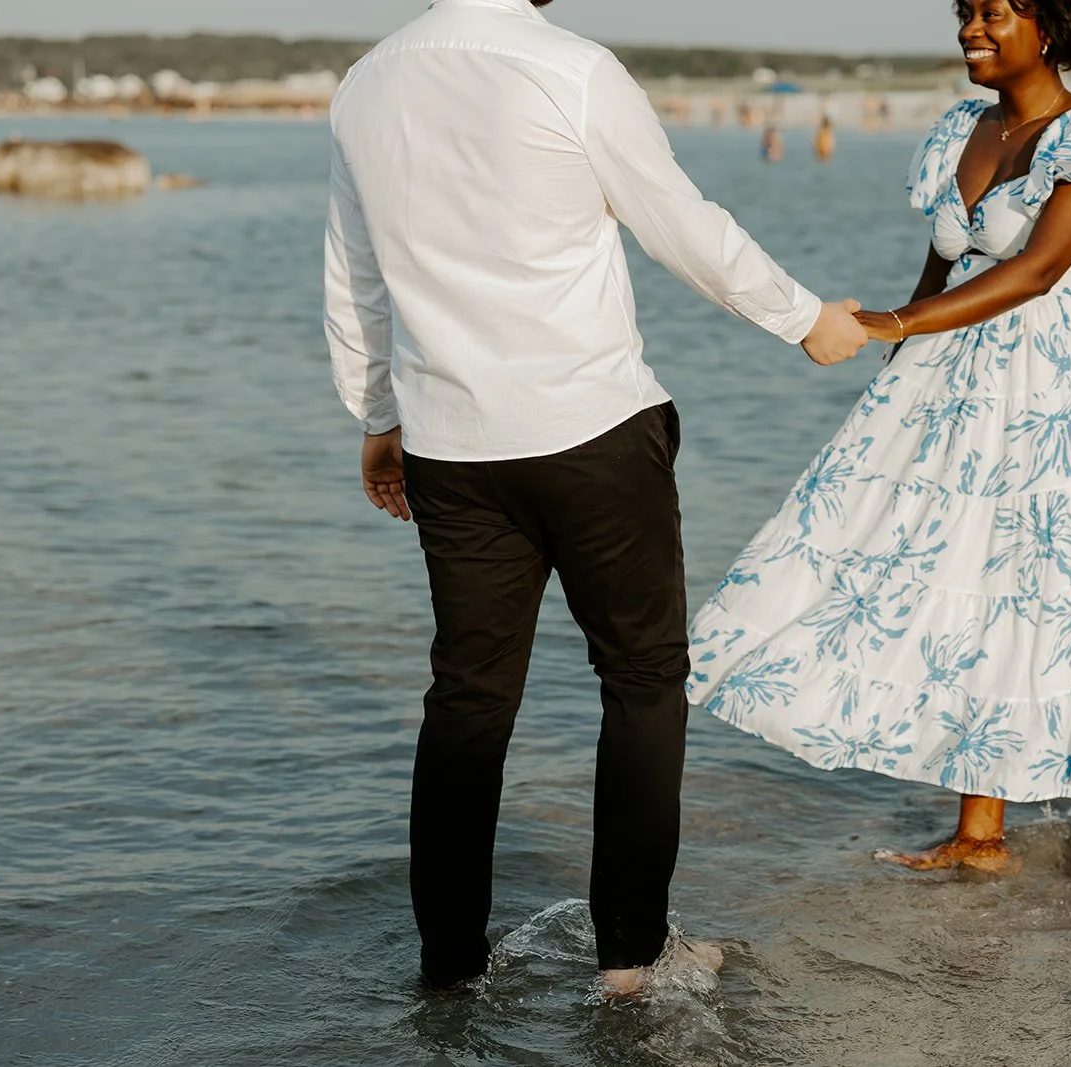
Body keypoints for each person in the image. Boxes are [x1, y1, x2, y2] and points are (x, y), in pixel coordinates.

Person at [324, 0, 868, 996]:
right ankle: (630, 958)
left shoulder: (369, 79)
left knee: (469, 700)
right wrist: (802, 319)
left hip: (449, 441)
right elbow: (679, 221)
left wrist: (375, 413)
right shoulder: (570, 68)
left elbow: (357, 273)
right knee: (642, 680)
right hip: (588, 432)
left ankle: (448, 966)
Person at [688, 0, 1071, 874]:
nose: (969, 29)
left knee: (1043, 580)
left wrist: (887, 324)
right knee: (935, 567)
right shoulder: (964, 128)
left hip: (1049, 392)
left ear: (1052, 26)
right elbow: (944, 262)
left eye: (993, 12)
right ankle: (979, 830)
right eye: (964, 14)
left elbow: (1036, 272)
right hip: (946, 377)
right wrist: (895, 373)